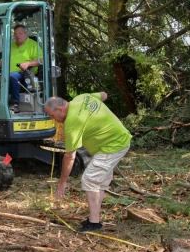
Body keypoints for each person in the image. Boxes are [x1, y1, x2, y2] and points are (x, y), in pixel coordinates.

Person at [45, 93, 131, 232]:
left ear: (60, 109)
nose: (53, 119)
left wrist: (62, 183)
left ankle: (94, 223)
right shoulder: (82, 98)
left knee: (89, 179)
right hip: (118, 140)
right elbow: (104, 95)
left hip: (112, 145)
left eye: (52, 116)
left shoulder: (72, 123)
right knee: (98, 181)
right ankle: (94, 218)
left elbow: (69, 156)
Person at [0, 24, 41, 111]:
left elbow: (41, 60)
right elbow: (4, 60)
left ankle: (14, 102)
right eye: (15, 34)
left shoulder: (33, 45)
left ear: (26, 33)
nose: (17, 36)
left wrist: (28, 63)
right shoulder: (12, 45)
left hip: (25, 74)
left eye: (20, 33)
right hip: (7, 73)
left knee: (12, 76)